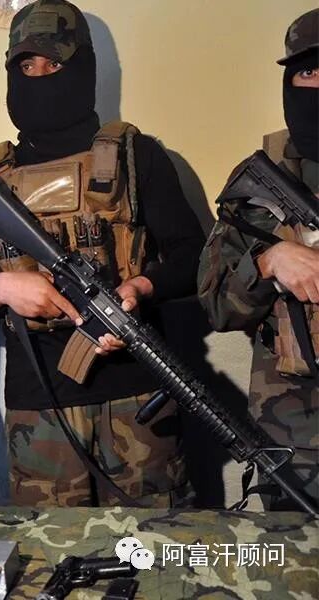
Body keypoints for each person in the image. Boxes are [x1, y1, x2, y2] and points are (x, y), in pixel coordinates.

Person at [0, 0, 205, 507]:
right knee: (46, 549)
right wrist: (1, 288)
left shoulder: (136, 157)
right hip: (38, 407)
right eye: (27, 66)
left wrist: (140, 288)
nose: (39, 77)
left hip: (137, 396)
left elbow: (195, 257)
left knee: (153, 545)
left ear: (83, 68)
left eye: (54, 63)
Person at [197, 9, 318, 511]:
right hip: (292, 439)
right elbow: (216, 306)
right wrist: (269, 263)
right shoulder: (264, 180)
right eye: (308, 72)